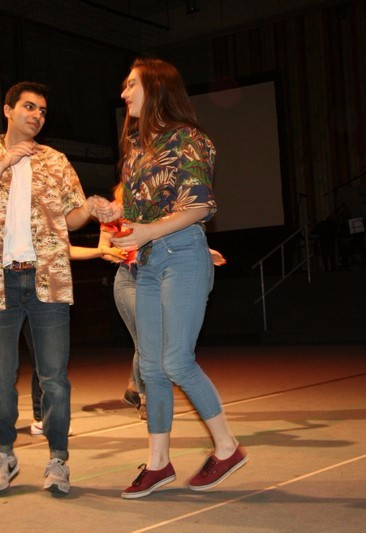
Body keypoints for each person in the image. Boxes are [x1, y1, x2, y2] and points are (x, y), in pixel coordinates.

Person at [0, 81, 118, 495]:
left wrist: (90, 208)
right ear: (7, 110)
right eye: (29, 107)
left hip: (47, 280)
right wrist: (3, 164)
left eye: (42, 111)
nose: (37, 116)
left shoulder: (56, 162)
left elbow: (72, 219)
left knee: (54, 379)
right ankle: (4, 455)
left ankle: (58, 460)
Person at [113, 59, 247, 499]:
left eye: (131, 84)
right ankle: (158, 463)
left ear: (155, 87)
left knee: (175, 361)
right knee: (151, 367)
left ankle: (227, 448)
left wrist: (149, 232)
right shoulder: (136, 148)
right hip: (149, 261)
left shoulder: (188, 139)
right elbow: (139, 214)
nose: (124, 93)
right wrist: (113, 213)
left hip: (181, 256)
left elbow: (200, 206)